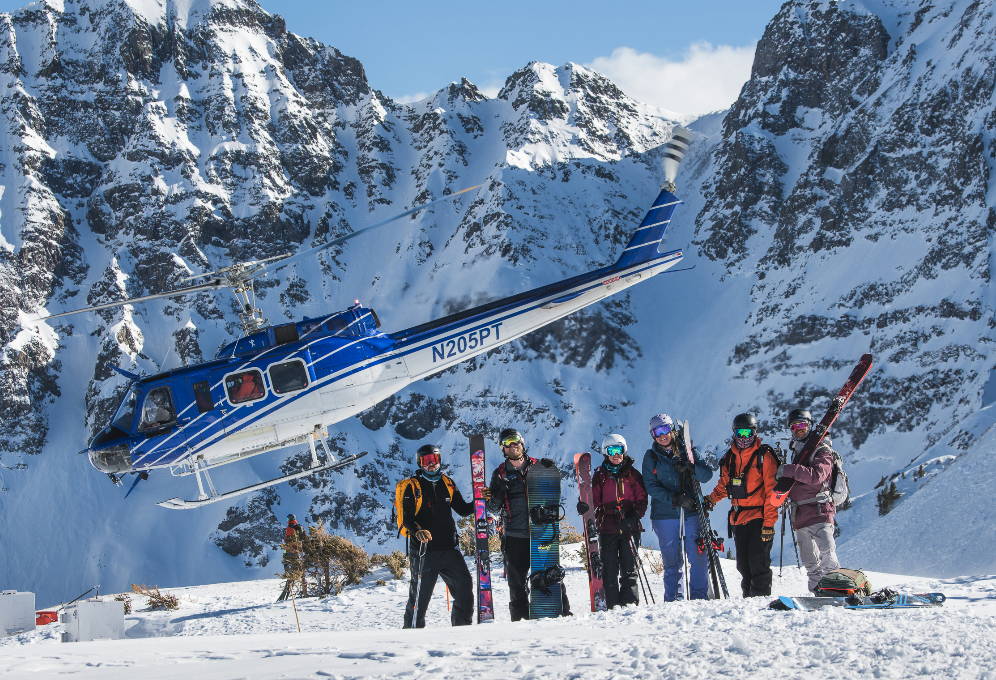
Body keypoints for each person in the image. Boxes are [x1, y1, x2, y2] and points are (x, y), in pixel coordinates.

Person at [487, 428, 571, 620]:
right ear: (503, 449)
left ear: (522, 443)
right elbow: (493, 508)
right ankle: (520, 620)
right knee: (516, 583)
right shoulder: (500, 474)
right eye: (507, 443)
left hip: (540, 532)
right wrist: (496, 494)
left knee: (551, 572)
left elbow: (552, 495)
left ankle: (563, 611)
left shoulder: (537, 466)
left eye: (515, 440)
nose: (512, 445)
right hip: (515, 535)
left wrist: (550, 471)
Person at [398, 444, 474, 628]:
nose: (432, 464)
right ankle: (411, 635)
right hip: (425, 552)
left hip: (449, 549)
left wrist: (480, 499)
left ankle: (461, 630)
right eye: (427, 461)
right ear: (420, 463)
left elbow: (463, 510)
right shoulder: (412, 486)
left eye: (435, 460)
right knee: (419, 599)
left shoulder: (447, 483)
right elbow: (406, 519)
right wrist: (417, 531)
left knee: (465, 590)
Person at [703, 413, 779, 597]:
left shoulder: (765, 456)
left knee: (758, 563)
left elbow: (773, 492)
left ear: (754, 432)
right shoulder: (730, 458)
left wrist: (769, 523)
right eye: (740, 432)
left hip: (760, 517)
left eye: (747, 432)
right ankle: (748, 602)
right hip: (738, 518)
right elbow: (724, 486)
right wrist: (710, 500)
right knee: (743, 565)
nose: (743, 437)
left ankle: (760, 601)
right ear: (734, 433)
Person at [641, 414, 713, 600]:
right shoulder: (651, 457)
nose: (662, 435)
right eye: (657, 432)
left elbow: (706, 476)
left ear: (672, 429)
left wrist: (691, 467)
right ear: (652, 435)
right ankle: (673, 600)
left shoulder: (687, 450)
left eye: (665, 430)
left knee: (698, 558)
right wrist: (674, 499)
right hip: (665, 515)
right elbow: (650, 486)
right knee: (672, 562)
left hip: (691, 513)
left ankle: (699, 598)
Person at [777, 408, 841, 594]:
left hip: (820, 510)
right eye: (794, 427)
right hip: (801, 515)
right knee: (810, 562)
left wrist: (788, 470)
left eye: (803, 425)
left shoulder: (822, 449)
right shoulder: (797, 452)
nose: (799, 429)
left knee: (828, 555)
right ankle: (816, 593)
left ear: (810, 426)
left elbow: (817, 477)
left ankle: (836, 590)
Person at [585, 433, 647, 607]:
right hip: (608, 527)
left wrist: (633, 517)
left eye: (619, 449)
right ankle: (612, 606)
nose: (616, 454)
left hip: (629, 527)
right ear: (606, 452)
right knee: (610, 570)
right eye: (612, 450)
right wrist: (585, 505)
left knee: (629, 569)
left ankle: (630, 605)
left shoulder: (633, 475)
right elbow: (594, 499)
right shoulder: (601, 476)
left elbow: (642, 499)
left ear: (624, 450)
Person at [282, 514, 308, 597]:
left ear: (290, 519)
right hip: (297, 550)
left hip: (292, 551)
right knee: (297, 568)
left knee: (289, 565)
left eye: (288, 519)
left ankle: (289, 586)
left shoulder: (291, 528)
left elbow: (288, 540)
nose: (287, 520)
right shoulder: (298, 527)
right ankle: (300, 588)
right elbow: (303, 538)